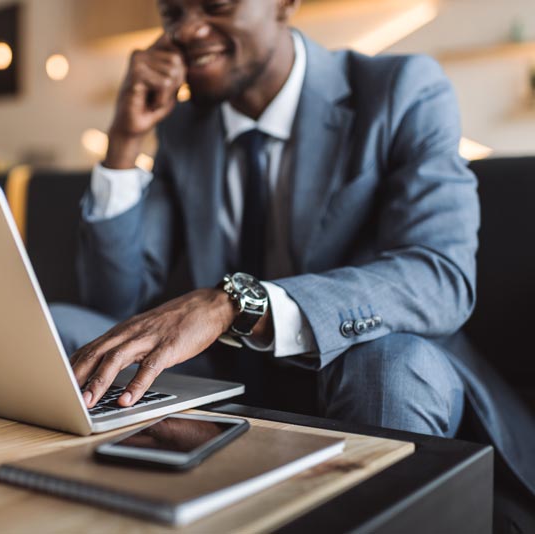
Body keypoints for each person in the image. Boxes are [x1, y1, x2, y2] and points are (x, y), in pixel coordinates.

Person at [51, 0, 534, 505]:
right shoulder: (184, 126)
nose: (189, 30)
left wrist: (236, 305)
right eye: (173, 11)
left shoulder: (402, 88)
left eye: (215, 5)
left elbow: (440, 277)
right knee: (65, 328)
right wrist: (125, 143)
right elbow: (114, 301)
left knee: (388, 365)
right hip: (229, 378)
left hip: (366, 373)